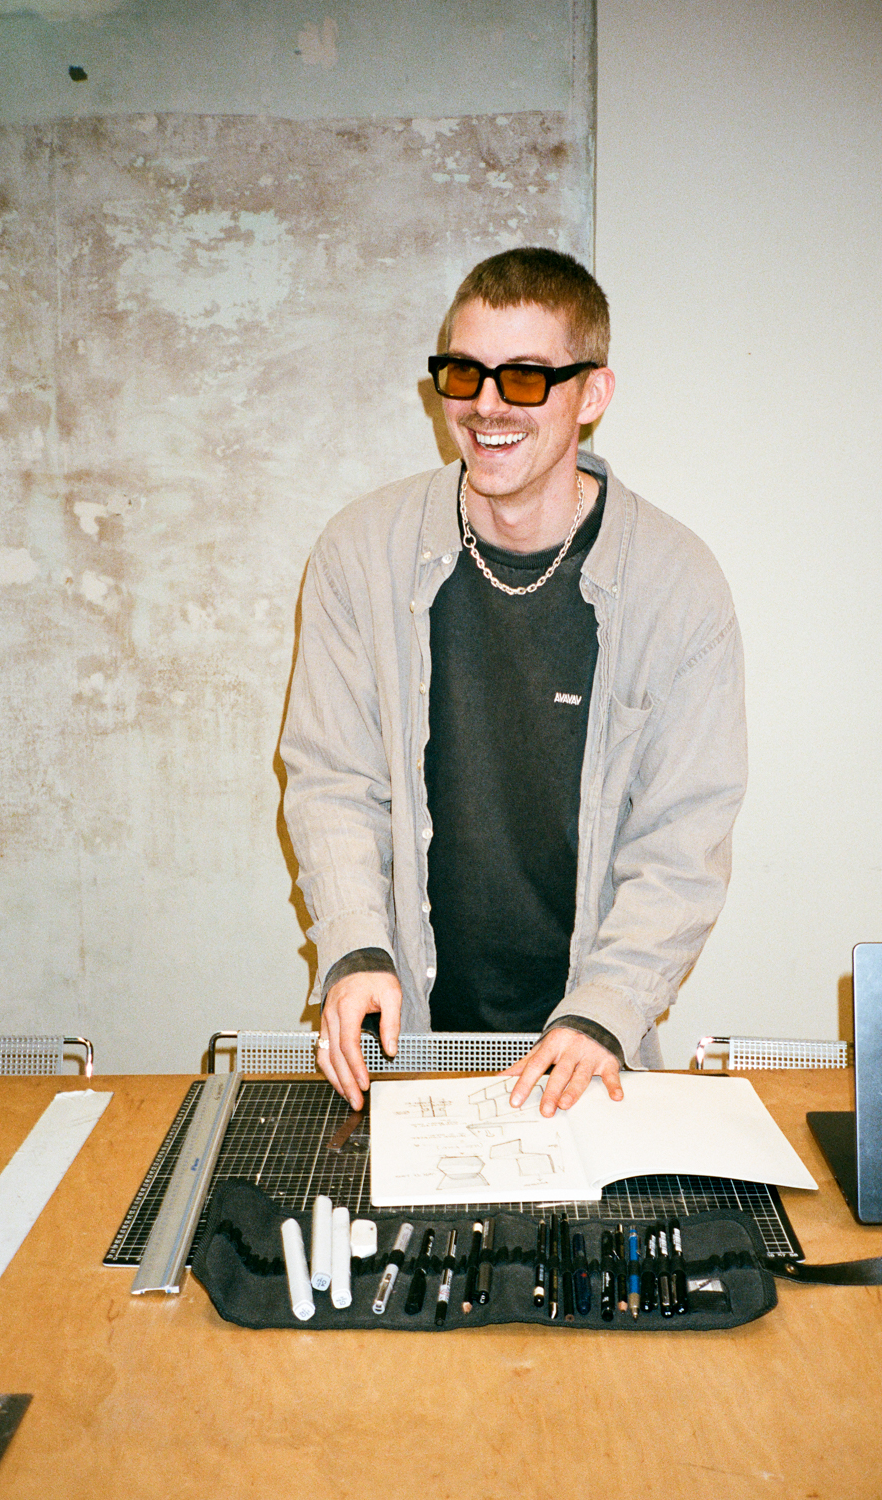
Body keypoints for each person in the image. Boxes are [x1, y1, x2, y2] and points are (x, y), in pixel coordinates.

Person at [280, 247, 746, 1119]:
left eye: (525, 377)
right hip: (406, 1043)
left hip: (585, 1052)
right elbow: (333, 779)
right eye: (464, 373)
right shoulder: (359, 551)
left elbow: (681, 841)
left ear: (591, 394)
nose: (485, 405)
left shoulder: (677, 583)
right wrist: (354, 947)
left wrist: (606, 1011)